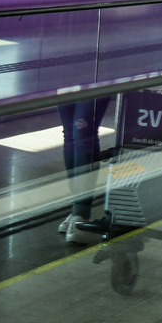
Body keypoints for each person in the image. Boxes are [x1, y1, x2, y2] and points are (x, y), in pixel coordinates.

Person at [57, 97, 111, 243]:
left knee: (83, 132)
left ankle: (81, 213)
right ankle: (76, 209)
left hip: (95, 82)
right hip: (62, 81)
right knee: (69, 134)